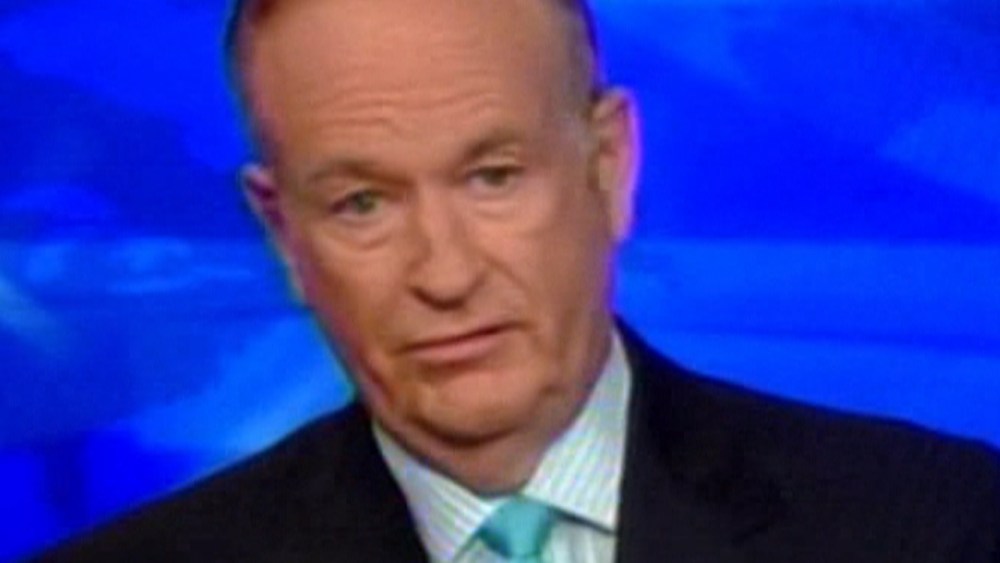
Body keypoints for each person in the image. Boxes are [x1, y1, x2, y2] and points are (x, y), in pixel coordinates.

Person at [41, 0, 999, 561]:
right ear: (283, 232)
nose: (446, 273)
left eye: (493, 177)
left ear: (609, 167)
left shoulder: (939, 528)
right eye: (362, 203)